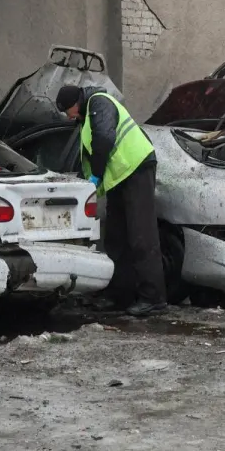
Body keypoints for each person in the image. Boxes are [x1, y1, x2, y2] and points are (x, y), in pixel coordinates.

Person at [55, 84, 166, 317]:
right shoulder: (87, 115)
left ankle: (153, 298)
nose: (68, 116)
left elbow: (104, 138)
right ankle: (119, 295)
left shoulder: (99, 102)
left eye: (68, 110)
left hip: (136, 169)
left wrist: (96, 173)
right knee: (117, 237)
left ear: (76, 102)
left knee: (141, 236)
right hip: (120, 177)